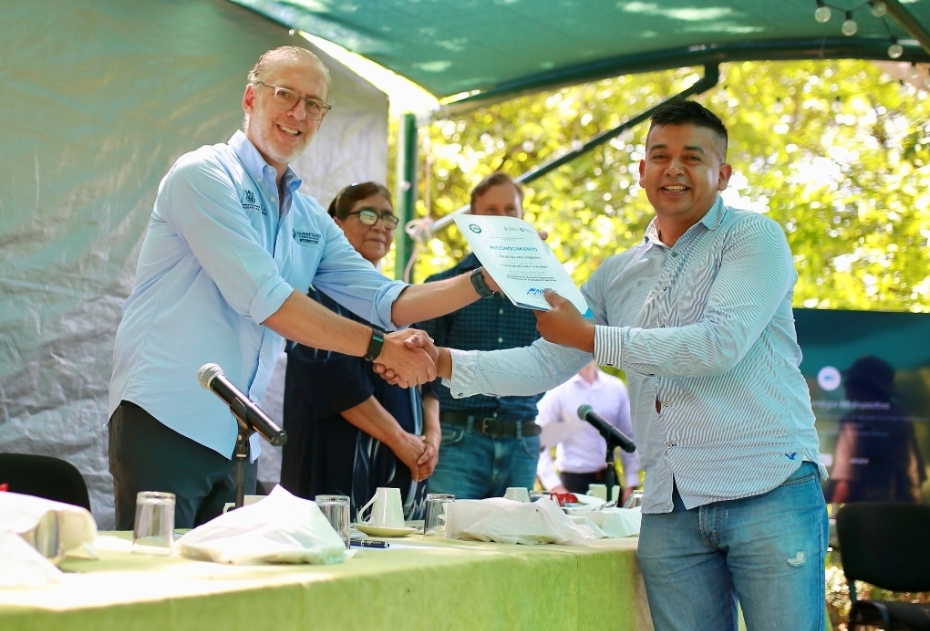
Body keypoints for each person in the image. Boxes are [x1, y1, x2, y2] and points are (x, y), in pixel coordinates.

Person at [411, 100, 829, 630]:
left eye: (692, 157)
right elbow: (547, 361)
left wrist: (589, 336)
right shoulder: (615, 274)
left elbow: (717, 345)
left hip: (767, 487)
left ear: (723, 174)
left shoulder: (754, 237)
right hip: (670, 506)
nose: (673, 169)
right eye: (660, 155)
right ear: (641, 171)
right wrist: (442, 361)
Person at [107, 46, 496, 529]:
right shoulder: (203, 175)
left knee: (222, 578)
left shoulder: (308, 215)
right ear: (251, 98)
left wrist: (485, 279)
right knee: (156, 571)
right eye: (285, 95)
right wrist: (381, 348)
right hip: (166, 418)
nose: (298, 113)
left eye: (313, 104)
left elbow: (385, 299)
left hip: (239, 436)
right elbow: (267, 300)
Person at [280, 182, 439, 520]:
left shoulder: (397, 301)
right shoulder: (313, 295)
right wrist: (400, 439)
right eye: (367, 215)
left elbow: (430, 379)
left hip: (404, 468)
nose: (380, 225)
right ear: (335, 224)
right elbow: (335, 382)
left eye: (388, 218)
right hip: (339, 472)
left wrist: (432, 439)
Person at [418, 173, 543, 499]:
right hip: (457, 441)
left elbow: (558, 358)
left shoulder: (545, 290)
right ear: (473, 220)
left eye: (510, 210)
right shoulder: (441, 287)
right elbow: (420, 369)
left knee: (517, 535)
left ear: (522, 216)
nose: (502, 218)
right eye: (491, 211)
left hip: (522, 444)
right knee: (450, 532)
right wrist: (431, 434)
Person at [535, 360, 640, 503]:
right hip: (573, 483)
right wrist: (555, 486)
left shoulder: (615, 387)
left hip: (609, 480)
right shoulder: (559, 389)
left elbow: (628, 436)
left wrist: (631, 483)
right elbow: (538, 440)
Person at [830, 355, 925, 504]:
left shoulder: (854, 421)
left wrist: (831, 513)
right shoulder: (901, 418)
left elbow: (845, 483)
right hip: (903, 508)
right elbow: (917, 474)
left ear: (863, 386)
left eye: (851, 382)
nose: (846, 386)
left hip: (864, 512)